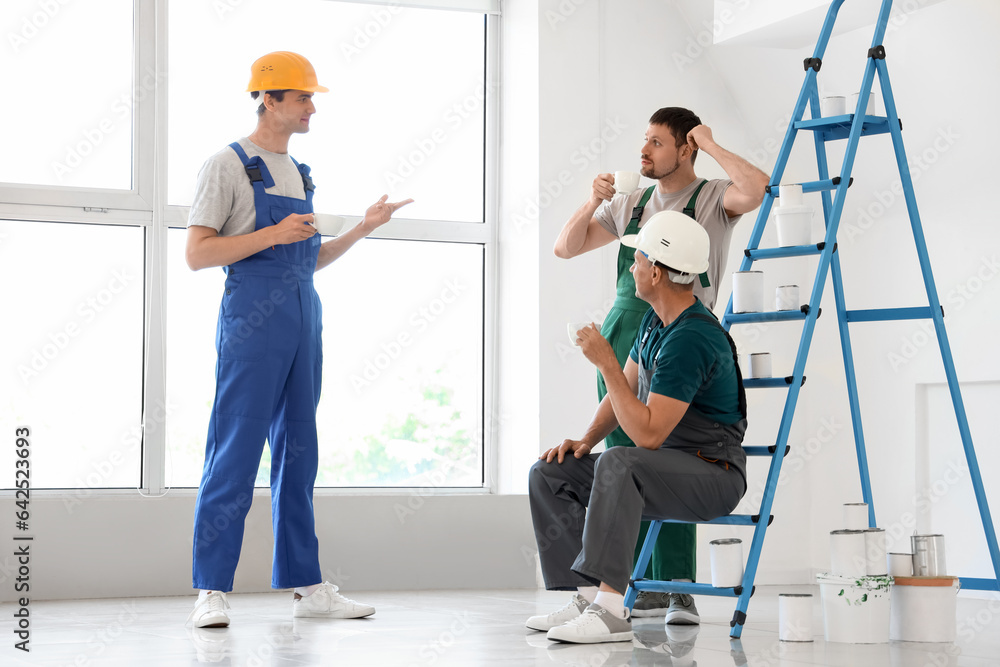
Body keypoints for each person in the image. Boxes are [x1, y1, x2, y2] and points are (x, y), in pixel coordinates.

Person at [185, 51, 412, 628]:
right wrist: (270, 234)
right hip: (251, 321)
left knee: (299, 450)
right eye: (303, 97)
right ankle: (210, 590)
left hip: (302, 315)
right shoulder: (227, 164)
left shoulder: (299, 172)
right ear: (269, 99)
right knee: (235, 446)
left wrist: (362, 228)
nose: (312, 107)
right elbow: (198, 254)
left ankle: (307, 586)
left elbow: (309, 260)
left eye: (311, 97)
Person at [552, 106, 767, 621]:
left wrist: (711, 143)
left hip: (682, 329)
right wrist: (591, 202)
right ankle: (608, 590)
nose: (643, 151)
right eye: (643, 141)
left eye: (656, 142)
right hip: (630, 325)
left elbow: (757, 188)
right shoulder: (632, 200)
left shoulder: (712, 197)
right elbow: (566, 247)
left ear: (684, 147)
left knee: (663, 453)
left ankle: (672, 585)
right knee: (615, 457)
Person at [527, 211, 748, 644]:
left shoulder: (691, 339)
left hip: (712, 474)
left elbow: (648, 436)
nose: (633, 267)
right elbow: (623, 390)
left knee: (621, 461)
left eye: (640, 260)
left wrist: (606, 361)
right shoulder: (654, 321)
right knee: (551, 472)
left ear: (660, 272)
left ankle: (610, 612)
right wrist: (585, 440)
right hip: (666, 467)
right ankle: (588, 597)